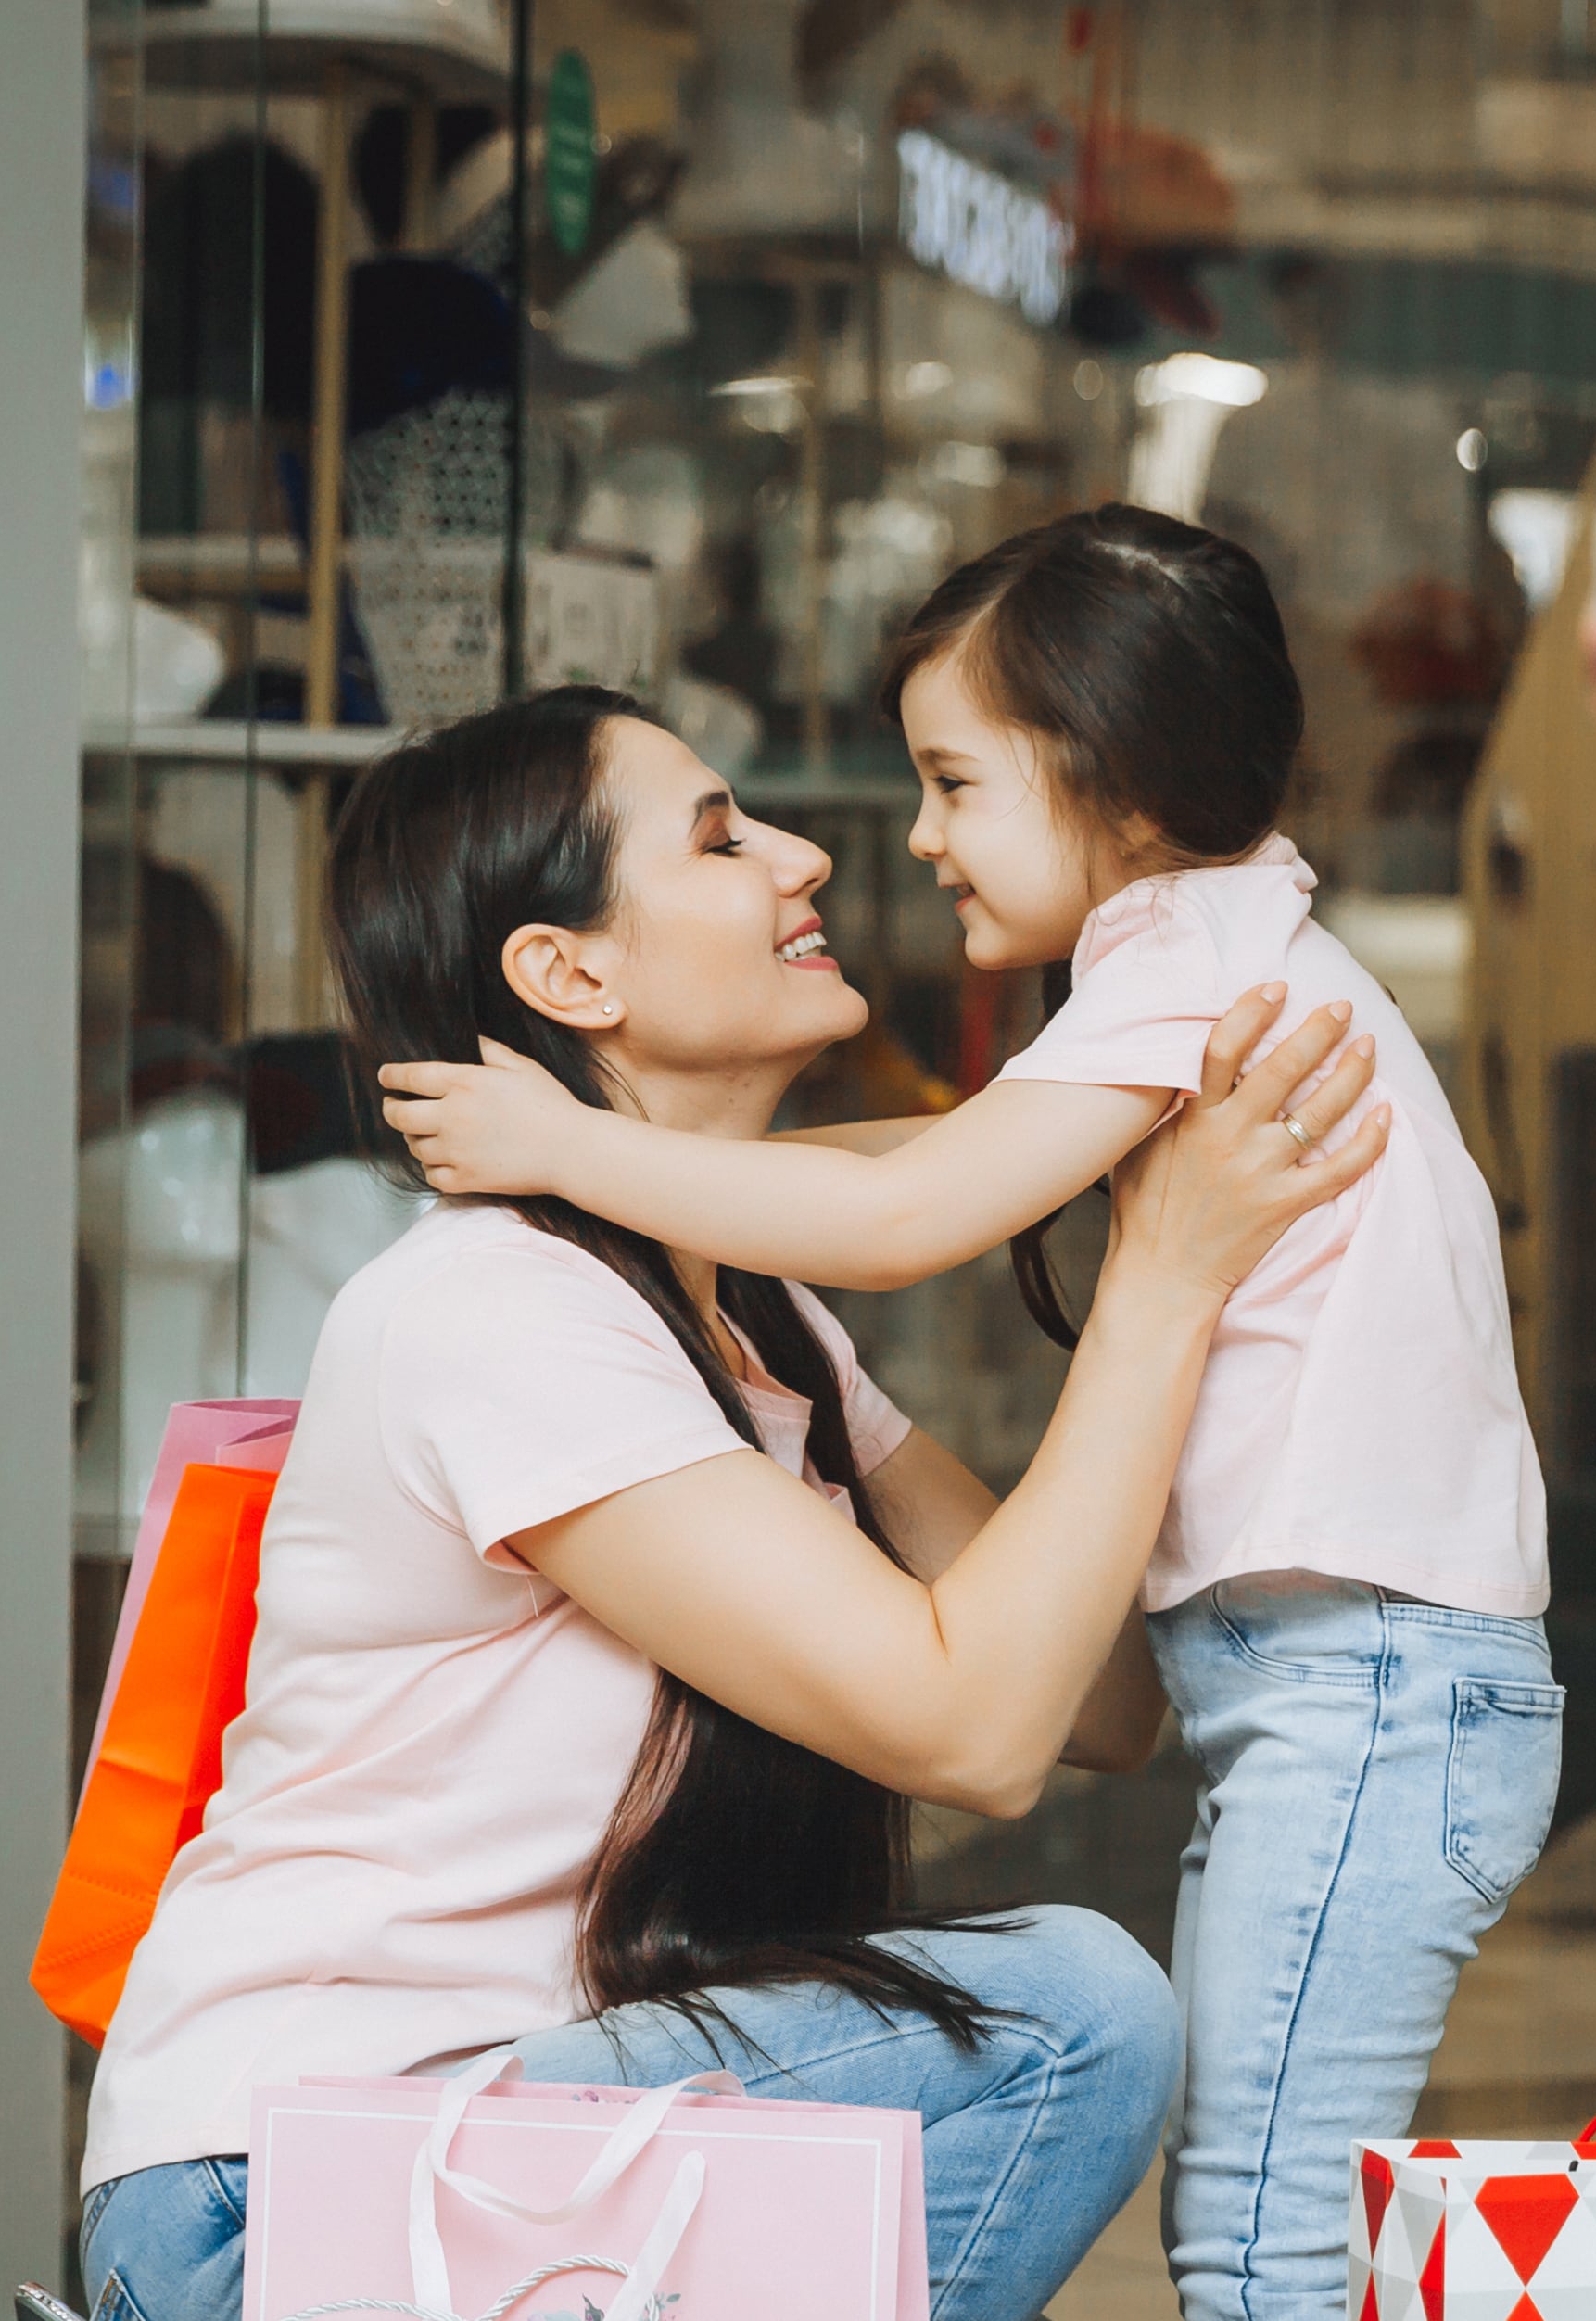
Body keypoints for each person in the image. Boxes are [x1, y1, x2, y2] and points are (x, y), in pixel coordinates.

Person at [73, 684, 1391, 2321]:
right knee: (1066, 2021)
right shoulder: (498, 1307)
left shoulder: (753, 1316)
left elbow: (1095, 1696)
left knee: (1051, 2028)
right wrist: (1165, 1278)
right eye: (717, 836)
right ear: (569, 973)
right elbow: (972, 1727)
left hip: (504, 2149)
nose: (800, 856)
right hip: (281, 2196)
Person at [384, 505, 1560, 2321]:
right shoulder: (1204, 948)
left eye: (953, 779)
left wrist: (572, 1145)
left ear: (1113, 774)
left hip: (1367, 1689)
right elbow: (927, 1166)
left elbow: (906, 1216)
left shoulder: (1187, 967)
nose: (900, 838)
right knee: (1262, 2234)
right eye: (722, 830)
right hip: (1349, 1686)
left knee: (1259, 2249)